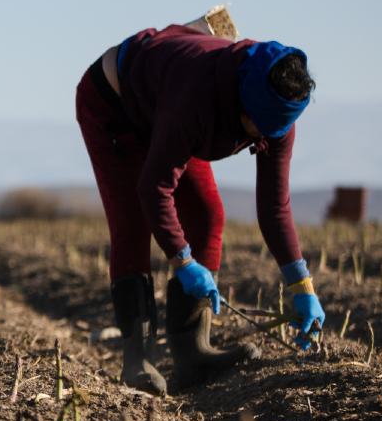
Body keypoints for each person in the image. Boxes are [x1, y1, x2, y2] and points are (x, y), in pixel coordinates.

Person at [75, 22, 327, 393]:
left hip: (164, 101)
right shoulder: (195, 99)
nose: (258, 139)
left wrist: (301, 284)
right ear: (243, 100)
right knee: (132, 224)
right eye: (254, 127)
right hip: (114, 104)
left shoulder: (278, 114)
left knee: (208, 215)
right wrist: (183, 261)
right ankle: (137, 360)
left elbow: (275, 206)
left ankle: (192, 353)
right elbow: (154, 188)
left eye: (268, 133)